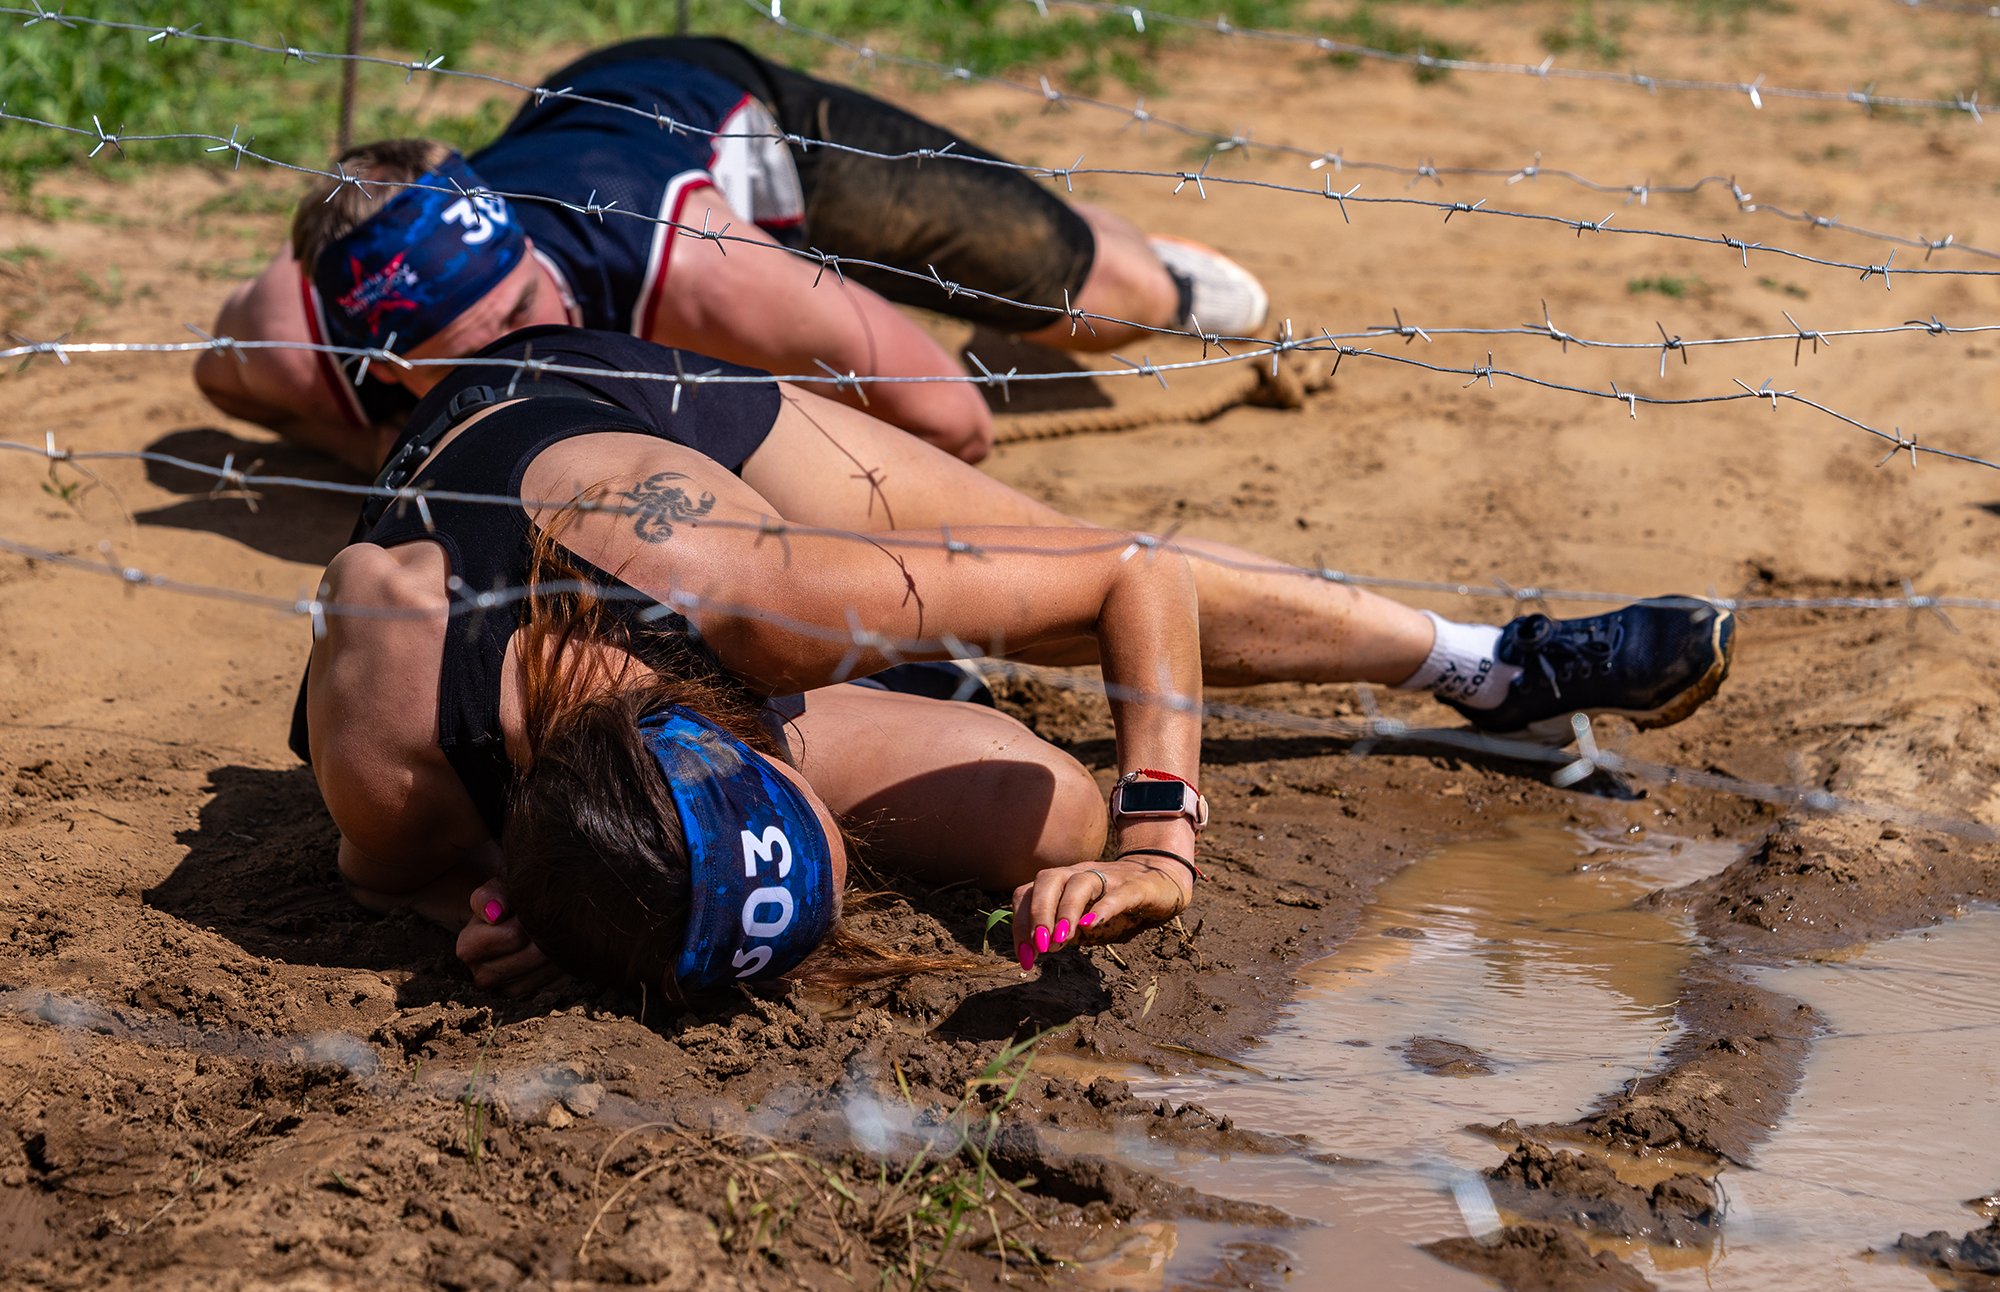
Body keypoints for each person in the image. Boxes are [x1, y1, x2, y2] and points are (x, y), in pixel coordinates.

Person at [294, 326, 1736, 996]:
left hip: (587, 410)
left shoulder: (750, 599)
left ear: (735, 737)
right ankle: (928, 693)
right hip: (562, 685)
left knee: (1045, 574)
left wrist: (1163, 832)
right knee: (1047, 819)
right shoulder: (399, 766)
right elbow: (394, 874)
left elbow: (1133, 579)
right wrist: (491, 908)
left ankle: (1487, 662)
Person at [195, 36, 1270, 471]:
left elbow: (955, 419)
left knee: (1109, 300)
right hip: (587, 137)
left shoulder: (692, 267)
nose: (532, 352)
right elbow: (216, 378)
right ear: (380, 363)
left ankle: (1121, 250)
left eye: (534, 306)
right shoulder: (307, 333)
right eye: (476, 361)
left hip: (747, 133)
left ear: (526, 246)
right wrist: (380, 453)